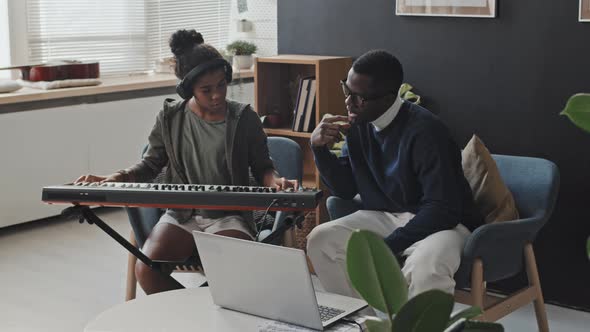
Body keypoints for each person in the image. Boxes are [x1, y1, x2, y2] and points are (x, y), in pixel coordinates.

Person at [75, 29, 297, 294]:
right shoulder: (170, 118)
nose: (217, 95)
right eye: (206, 89)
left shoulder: (244, 118)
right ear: (188, 88)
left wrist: (276, 181)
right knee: (146, 270)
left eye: (222, 85)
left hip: (229, 216)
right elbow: (150, 165)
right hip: (181, 215)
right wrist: (114, 179)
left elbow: (263, 167)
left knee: (233, 277)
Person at [307, 50, 483, 298]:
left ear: (389, 98)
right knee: (321, 240)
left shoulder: (427, 132)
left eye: (359, 97)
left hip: (443, 223)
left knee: (427, 268)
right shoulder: (359, 124)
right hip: (385, 215)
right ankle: (362, 320)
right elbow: (345, 189)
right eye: (347, 90)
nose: (349, 102)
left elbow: (443, 208)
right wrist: (319, 149)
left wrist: (388, 246)